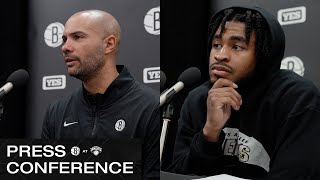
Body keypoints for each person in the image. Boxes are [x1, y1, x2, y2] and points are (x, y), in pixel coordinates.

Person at [167, 6, 320, 179]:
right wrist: (209, 134)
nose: (221, 55)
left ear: (264, 55)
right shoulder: (199, 99)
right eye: (216, 45)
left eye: (237, 47)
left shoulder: (296, 98)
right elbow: (178, 175)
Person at [41, 10, 159, 179]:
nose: (65, 47)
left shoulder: (150, 107)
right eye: (64, 39)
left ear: (108, 44)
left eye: (78, 37)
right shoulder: (56, 112)